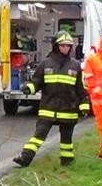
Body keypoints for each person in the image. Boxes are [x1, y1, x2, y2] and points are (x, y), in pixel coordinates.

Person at [12, 31, 90, 168]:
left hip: (68, 110)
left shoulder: (76, 66)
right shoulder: (46, 64)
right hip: (48, 109)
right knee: (38, 136)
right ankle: (25, 158)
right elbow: (37, 82)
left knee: (66, 140)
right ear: (56, 46)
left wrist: (84, 105)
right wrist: (28, 88)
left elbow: (81, 89)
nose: (66, 48)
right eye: (62, 45)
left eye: (68, 46)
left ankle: (67, 163)